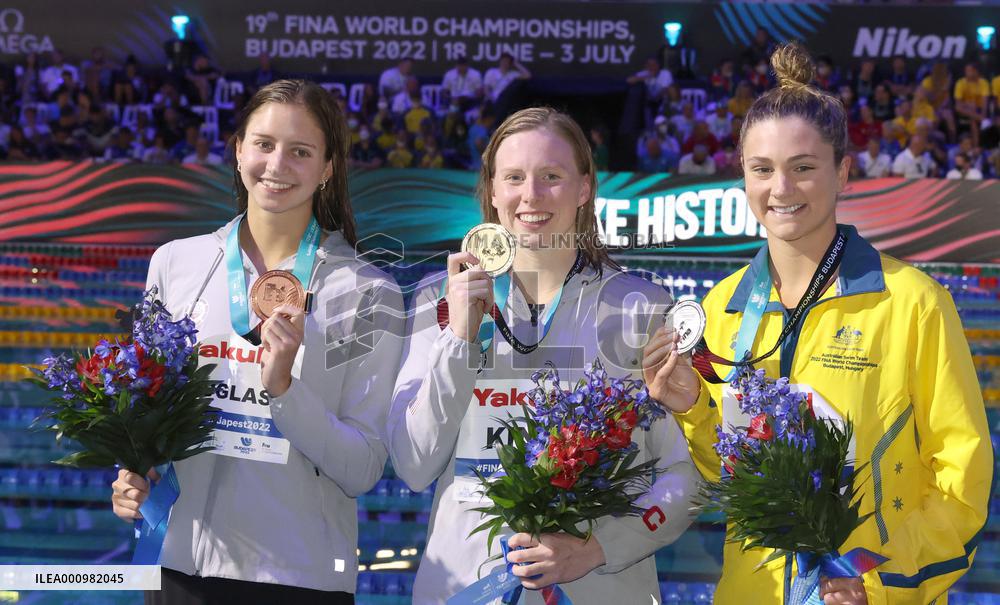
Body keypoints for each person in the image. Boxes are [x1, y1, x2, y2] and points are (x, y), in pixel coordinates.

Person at [643, 43, 991, 605]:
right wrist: (691, 409)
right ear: (744, 176)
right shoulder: (723, 306)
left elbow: (963, 483)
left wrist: (874, 583)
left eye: (804, 168)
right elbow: (723, 478)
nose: (781, 189)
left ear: (843, 172)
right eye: (763, 170)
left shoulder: (913, 303)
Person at [110, 79, 404, 604]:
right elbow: (146, 409)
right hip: (180, 569)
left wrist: (286, 390)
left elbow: (361, 469)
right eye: (264, 144)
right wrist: (136, 469)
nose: (277, 164)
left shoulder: (368, 293)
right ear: (238, 149)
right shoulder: (177, 264)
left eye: (300, 151)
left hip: (298, 576)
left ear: (328, 167)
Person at [388, 107, 697, 604]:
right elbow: (414, 464)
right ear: (492, 190)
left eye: (551, 176)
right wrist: (460, 339)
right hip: (466, 591)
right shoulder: (436, 302)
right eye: (514, 177)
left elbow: (685, 475)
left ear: (583, 188)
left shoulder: (641, 308)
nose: (530, 195)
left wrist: (597, 548)